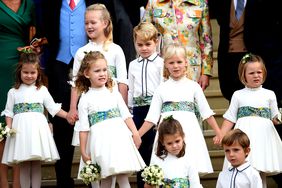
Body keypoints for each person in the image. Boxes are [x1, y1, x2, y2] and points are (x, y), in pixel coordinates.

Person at [138, 43, 222, 175]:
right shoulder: (161, 89)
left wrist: (219, 132)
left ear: (186, 63)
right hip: (167, 135)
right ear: (165, 64)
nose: (175, 66)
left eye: (179, 62)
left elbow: (206, 112)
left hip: (189, 133)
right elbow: (152, 118)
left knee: (190, 170)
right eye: (171, 62)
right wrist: (137, 135)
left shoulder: (194, 87)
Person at [74, 51, 145, 188]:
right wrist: (83, 150)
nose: (102, 74)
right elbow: (84, 128)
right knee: (106, 176)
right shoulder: (85, 98)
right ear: (87, 74)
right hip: (101, 142)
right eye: (97, 71)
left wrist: (135, 133)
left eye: (105, 70)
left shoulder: (114, 92)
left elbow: (125, 115)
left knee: (122, 176)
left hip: (119, 138)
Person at [1, 51, 71, 188]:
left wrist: (68, 115)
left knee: (36, 164)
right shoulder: (13, 92)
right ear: (19, 72)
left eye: (32, 72)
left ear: (38, 72)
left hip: (37, 131)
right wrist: (9, 128)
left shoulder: (42, 90)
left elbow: (53, 108)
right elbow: (9, 112)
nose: (29, 76)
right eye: (25, 72)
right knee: (25, 164)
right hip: (21, 132)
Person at [220, 54, 282, 188]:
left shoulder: (269, 94)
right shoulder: (238, 95)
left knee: (260, 168)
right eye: (251, 73)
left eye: (259, 72)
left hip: (263, 136)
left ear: (264, 73)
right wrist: (221, 134)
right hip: (244, 136)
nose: (256, 75)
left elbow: (275, 117)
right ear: (243, 75)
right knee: (246, 167)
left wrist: (278, 118)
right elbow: (230, 117)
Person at [0, 0, 35, 186]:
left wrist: (34, 48)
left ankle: (18, 183)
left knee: (19, 123)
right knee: (1, 126)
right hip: (0, 67)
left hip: (23, 65)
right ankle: (2, 181)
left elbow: (36, 33)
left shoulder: (30, 4)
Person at [142, 0, 213, 90]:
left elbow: (206, 41)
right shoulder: (154, 3)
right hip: (162, 68)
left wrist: (206, 72)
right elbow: (143, 35)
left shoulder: (200, 3)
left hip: (191, 68)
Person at [128, 21, 164, 188]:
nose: (144, 48)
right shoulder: (133, 65)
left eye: (148, 44)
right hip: (138, 111)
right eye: (140, 44)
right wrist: (130, 111)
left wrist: (162, 114)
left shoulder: (161, 63)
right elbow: (130, 90)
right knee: (139, 148)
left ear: (156, 42)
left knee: (155, 148)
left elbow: (162, 88)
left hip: (155, 110)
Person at [145, 115, 203, 188]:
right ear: (162, 142)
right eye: (169, 143)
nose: (174, 146)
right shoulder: (157, 159)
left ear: (183, 137)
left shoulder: (189, 158)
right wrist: (149, 182)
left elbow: (195, 185)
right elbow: (148, 186)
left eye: (177, 141)